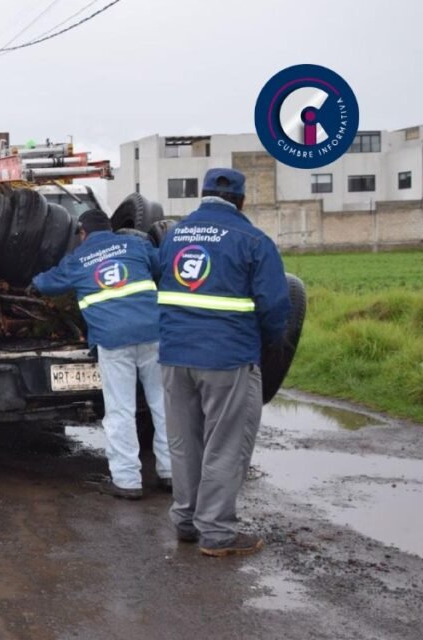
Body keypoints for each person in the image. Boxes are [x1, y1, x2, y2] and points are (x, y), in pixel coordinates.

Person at [156, 168, 290, 557]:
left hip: (175, 357)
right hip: (227, 358)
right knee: (225, 445)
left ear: (202, 195)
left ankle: (186, 521)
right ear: (242, 201)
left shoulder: (174, 236)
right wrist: (267, 343)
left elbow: (160, 283)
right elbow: (275, 307)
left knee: (184, 443)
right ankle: (216, 532)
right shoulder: (253, 240)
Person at [31, 209, 172, 500]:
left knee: (121, 410)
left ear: (83, 233)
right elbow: (161, 265)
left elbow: (48, 283)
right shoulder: (135, 244)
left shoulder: (79, 258)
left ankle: (127, 481)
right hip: (153, 333)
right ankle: (172, 473)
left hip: (113, 341)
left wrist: (33, 282)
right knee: (163, 405)